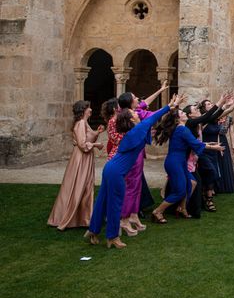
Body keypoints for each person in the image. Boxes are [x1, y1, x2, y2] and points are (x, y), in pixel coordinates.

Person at [84, 94, 183, 249]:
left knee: (103, 200)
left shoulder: (134, 132)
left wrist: (171, 107)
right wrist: (170, 107)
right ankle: (112, 237)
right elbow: (153, 117)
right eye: (134, 114)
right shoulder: (135, 132)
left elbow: (150, 122)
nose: (137, 113)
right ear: (131, 120)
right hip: (116, 171)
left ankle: (93, 231)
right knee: (115, 204)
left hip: (111, 168)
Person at [151, 107, 223, 223]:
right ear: (178, 118)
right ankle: (158, 211)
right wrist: (214, 147)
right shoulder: (182, 129)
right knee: (179, 191)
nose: (184, 113)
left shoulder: (182, 129)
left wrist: (208, 143)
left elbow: (192, 142)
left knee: (192, 182)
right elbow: (194, 143)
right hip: (174, 163)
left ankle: (182, 207)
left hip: (179, 162)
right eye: (182, 113)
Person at [117, 81, 169, 235]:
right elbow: (153, 115)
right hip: (133, 154)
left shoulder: (133, 111)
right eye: (135, 98)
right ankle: (124, 220)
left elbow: (146, 103)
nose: (138, 99)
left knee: (137, 185)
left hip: (138, 152)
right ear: (129, 102)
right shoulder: (132, 115)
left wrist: (160, 90)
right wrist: (170, 107)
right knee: (132, 186)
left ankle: (133, 215)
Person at [48, 101, 104, 230]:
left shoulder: (85, 123)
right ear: (83, 110)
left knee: (85, 186)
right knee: (78, 185)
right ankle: (70, 217)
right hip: (81, 159)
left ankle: (83, 218)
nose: (90, 109)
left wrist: (97, 132)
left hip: (86, 158)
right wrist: (97, 145)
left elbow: (87, 138)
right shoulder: (81, 123)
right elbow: (83, 145)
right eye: (88, 108)